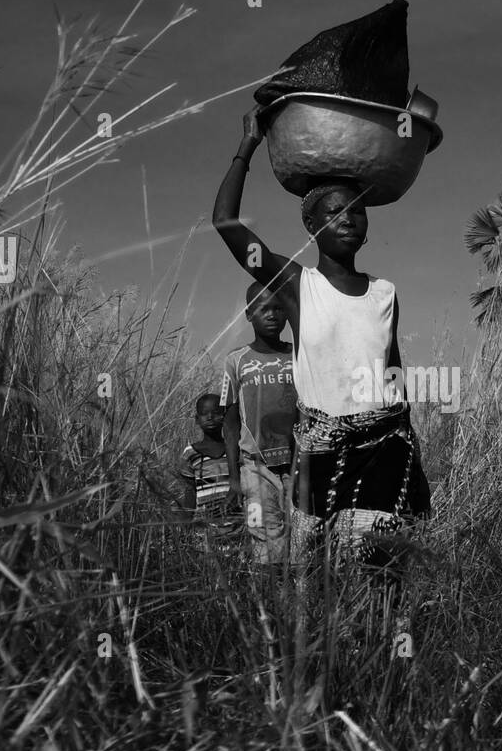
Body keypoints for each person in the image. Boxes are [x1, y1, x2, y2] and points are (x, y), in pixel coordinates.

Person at [210, 105, 430, 607]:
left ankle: (385, 662)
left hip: (385, 443)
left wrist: (413, 462)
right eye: (333, 212)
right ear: (310, 224)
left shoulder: (385, 292)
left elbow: (392, 375)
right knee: (316, 571)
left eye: (357, 210)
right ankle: (321, 669)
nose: (348, 220)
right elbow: (225, 221)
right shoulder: (295, 285)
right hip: (322, 445)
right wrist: (248, 144)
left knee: (383, 570)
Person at [222, 281, 298, 564]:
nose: (272, 315)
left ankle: (301, 604)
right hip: (255, 468)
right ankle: (269, 605)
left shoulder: (299, 356)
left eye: (279, 308)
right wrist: (233, 478)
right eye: (263, 309)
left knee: (302, 542)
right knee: (265, 544)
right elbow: (229, 423)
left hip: (298, 465)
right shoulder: (235, 362)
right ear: (248, 314)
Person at [178, 392, 232, 518]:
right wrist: (186, 523)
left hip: (236, 523)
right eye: (204, 413)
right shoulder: (190, 453)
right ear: (197, 419)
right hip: (204, 527)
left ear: (225, 416)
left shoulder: (235, 449)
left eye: (216, 412)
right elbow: (190, 491)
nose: (210, 417)